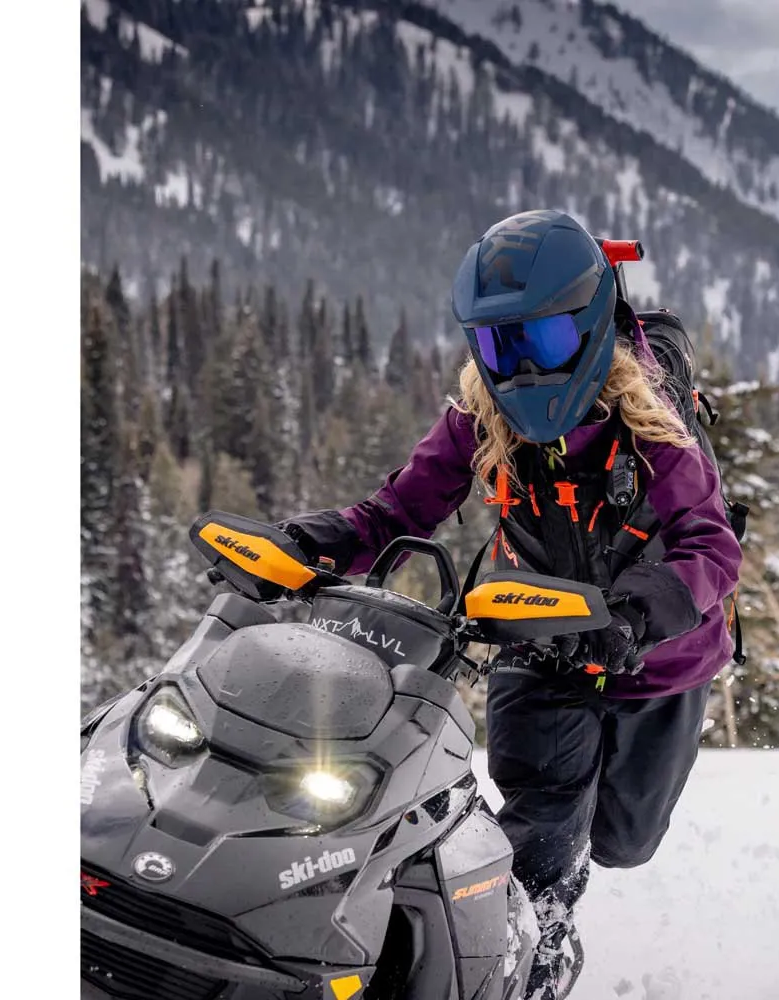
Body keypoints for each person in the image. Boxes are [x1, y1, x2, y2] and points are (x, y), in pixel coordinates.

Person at [277, 210, 742, 999]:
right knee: (541, 828)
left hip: (662, 658)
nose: (523, 368)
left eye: (545, 340)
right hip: (539, 635)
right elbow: (397, 513)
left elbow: (711, 546)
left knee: (624, 841)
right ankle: (527, 955)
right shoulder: (480, 415)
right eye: (501, 346)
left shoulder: (652, 420)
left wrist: (636, 614)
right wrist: (312, 543)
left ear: (590, 326)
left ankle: (553, 894)